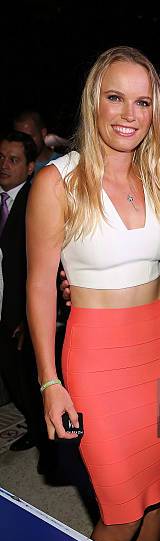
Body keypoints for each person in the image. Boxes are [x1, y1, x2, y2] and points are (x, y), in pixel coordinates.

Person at [26, 46, 160, 541]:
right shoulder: (57, 181)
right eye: (115, 97)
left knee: (155, 493)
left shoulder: (159, 177)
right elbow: (41, 286)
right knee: (120, 512)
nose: (127, 114)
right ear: (94, 101)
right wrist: (49, 382)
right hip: (98, 358)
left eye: (142, 102)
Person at [0, 130, 45, 452]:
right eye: (0, 158)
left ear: (30, 167)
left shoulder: (37, 202)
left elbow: (37, 267)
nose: (4, 165)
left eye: (13, 160)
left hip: (18, 312)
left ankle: (41, 434)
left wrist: (27, 318)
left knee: (26, 380)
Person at [14, 110, 61, 175]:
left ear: (43, 133)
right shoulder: (12, 165)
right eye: (19, 138)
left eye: (29, 137)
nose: (24, 142)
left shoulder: (61, 164)